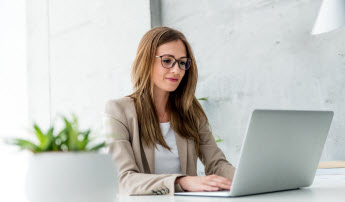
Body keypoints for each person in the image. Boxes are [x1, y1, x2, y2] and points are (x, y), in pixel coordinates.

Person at [103, 26, 236, 196]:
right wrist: (181, 181)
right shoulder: (118, 111)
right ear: (146, 61)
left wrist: (248, 178)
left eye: (182, 62)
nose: (177, 70)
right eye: (167, 60)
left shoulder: (191, 111)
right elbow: (124, 180)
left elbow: (217, 165)